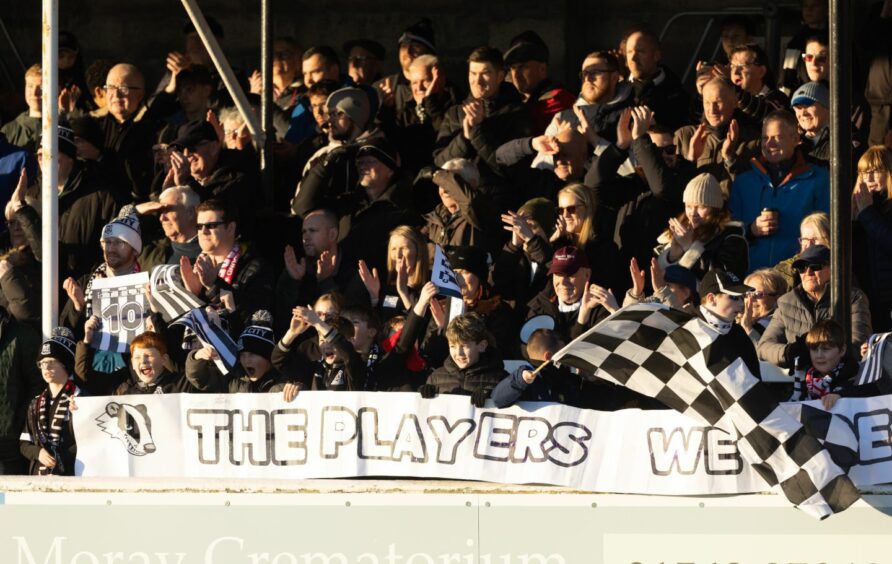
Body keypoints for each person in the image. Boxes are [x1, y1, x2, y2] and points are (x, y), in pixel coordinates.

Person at [730, 110, 829, 271]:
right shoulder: (743, 181)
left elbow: (827, 233)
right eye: (765, 138)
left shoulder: (818, 179)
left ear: (796, 139)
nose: (770, 144)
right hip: (752, 282)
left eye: (777, 137)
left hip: (798, 278)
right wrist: (750, 230)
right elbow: (728, 234)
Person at [757, 245, 873, 369]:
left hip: (842, 379)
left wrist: (822, 359)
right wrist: (789, 353)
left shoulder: (852, 298)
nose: (808, 273)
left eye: (815, 267)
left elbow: (859, 344)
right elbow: (764, 347)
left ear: (833, 269)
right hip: (799, 382)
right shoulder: (786, 302)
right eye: (802, 268)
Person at [432, 46, 532, 179]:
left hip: (497, 197)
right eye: (473, 73)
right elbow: (439, 164)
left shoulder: (517, 114)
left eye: (485, 73)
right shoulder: (454, 114)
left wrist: (477, 132)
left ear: (500, 76)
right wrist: (465, 138)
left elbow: (513, 170)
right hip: (456, 197)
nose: (477, 81)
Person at [187, 198, 274, 336]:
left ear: (231, 228)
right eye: (199, 226)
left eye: (211, 225)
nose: (203, 231)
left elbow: (254, 318)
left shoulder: (255, 268)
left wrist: (213, 287)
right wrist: (190, 295)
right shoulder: (191, 267)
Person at [654, 172, 748, 279]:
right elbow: (655, 276)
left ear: (715, 208)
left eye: (700, 207)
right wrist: (672, 256)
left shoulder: (731, 237)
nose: (693, 213)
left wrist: (690, 248)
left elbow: (723, 278)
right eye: (689, 206)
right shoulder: (678, 232)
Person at [674, 77, 760, 185]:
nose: (712, 110)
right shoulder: (684, 137)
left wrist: (730, 159)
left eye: (718, 102)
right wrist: (691, 160)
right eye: (707, 103)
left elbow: (752, 190)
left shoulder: (753, 142)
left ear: (735, 102)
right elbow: (672, 190)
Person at [20, 328, 80, 476]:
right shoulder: (35, 403)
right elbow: (23, 443)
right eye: (42, 363)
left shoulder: (81, 398)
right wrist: (37, 452)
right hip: (39, 477)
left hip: (73, 476)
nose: (46, 367)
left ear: (65, 363)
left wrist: (80, 415)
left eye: (52, 361)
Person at [417, 312, 506, 407]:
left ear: (482, 346)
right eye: (452, 346)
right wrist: (422, 394)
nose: (458, 353)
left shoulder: (500, 380)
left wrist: (491, 396)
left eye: (464, 346)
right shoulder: (435, 378)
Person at [186, 310, 287, 393]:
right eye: (242, 355)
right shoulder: (234, 379)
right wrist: (196, 357)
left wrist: (297, 389)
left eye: (252, 354)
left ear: (267, 357)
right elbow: (200, 380)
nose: (246, 360)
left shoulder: (285, 382)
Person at [790, 319, 879, 408]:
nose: (819, 355)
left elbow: (874, 392)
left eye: (825, 349)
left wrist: (841, 395)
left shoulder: (857, 375)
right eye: (814, 349)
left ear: (842, 350)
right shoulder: (803, 385)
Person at [273, 307, 364, 392]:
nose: (327, 345)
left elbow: (344, 348)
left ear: (351, 341)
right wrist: (292, 333)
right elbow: (279, 361)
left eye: (331, 341)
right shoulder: (316, 367)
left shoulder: (355, 364)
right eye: (322, 340)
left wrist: (317, 322)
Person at [503, 30, 574, 134]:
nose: (516, 75)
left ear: (542, 69)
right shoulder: (511, 98)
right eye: (513, 68)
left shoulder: (559, 99)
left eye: (523, 67)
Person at [853, 146, 892, 331]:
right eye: (863, 173)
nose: (868, 179)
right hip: (865, 302)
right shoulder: (859, 209)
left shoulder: (870, 210)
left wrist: (867, 212)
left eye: (875, 171)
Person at [697, 269, 763, 378]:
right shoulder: (688, 327)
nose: (742, 304)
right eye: (734, 297)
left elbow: (753, 379)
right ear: (711, 298)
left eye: (742, 298)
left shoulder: (738, 333)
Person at [623, 28, 692, 130]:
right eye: (629, 52)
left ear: (656, 56)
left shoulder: (678, 95)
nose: (633, 58)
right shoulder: (616, 91)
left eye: (640, 51)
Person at [0, 306, 42, 475]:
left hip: (8, 448)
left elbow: (39, 385)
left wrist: (17, 421)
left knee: (5, 500)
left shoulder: (22, 335)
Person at [358, 225, 429, 323]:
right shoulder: (385, 286)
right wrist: (374, 296)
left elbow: (420, 328)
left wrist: (404, 293)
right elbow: (376, 328)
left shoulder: (430, 287)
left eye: (403, 248)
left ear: (419, 251)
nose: (397, 255)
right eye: (393, 249)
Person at [136, 185, 202, 272]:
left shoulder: (214, 251)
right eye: (161, 212)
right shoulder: (150, 248)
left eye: (168, 210)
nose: (162, 218)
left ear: (190, 213)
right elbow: (115, 235)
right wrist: (135, 211)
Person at [773, 211, 830, 288]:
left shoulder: (845, 266)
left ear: (830, 240)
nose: (809, 245)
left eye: (815, 239)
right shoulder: (784, 272)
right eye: (805, 239)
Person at [739, 268, 789, 346]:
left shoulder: (777, 324)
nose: (751, 300)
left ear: (777, 298)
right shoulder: (734, 317)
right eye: (747, 294)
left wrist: (747, 327)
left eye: (758, 294)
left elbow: (763, 353)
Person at [1, 64, 42, 154]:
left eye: (41, 87)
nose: (35, 93)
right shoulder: (9, 130)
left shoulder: (62, 126)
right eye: (30, 86)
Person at [790, 82, 830, 165]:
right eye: (798, 108)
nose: (803, 113)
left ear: (826, 106)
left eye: (807, 105)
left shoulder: (844, 138)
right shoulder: (792, 142)